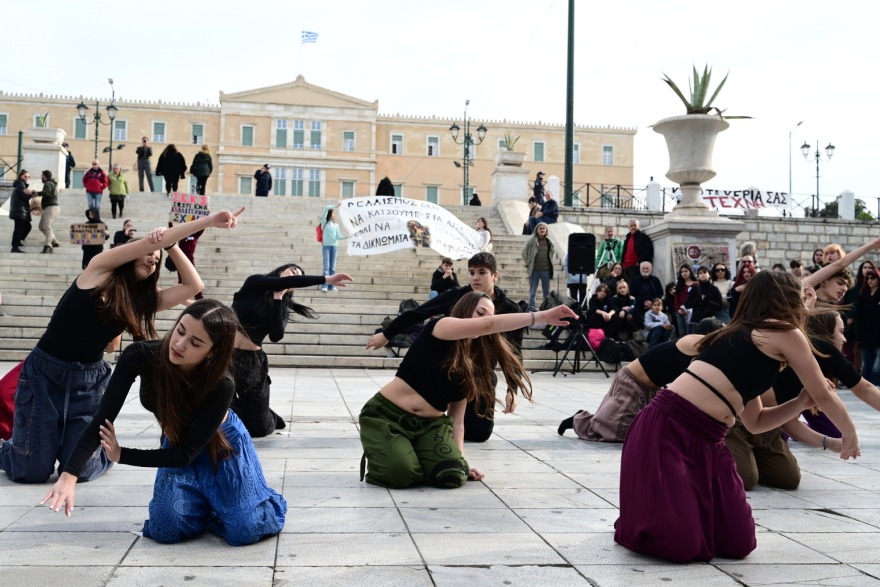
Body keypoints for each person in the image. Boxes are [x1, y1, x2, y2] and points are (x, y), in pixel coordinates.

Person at [614, 270, 860, 563]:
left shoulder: (754, 341)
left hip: (709, 440)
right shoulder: (768, 334)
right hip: (667, 428)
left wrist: (798, 402)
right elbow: (824, 393)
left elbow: (756, 422)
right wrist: (850, 435)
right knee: (680, 546)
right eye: (797, 297)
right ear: (784, 300)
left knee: (739, 542)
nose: (801, 306)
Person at [0, 207, 245, 483]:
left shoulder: (141, 301)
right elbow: (153, 243)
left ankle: (70, 447)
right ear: (129, 253)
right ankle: (13, 448)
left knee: (83, 470)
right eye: (148, 254)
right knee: (29, 471)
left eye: (156, 260)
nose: (153, 260)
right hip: (45, 373)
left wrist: (172, 246)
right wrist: (208, 222)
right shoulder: (98, 270)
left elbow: (192, 285)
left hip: (88, 380)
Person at [40, 300, 287, 545]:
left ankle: (249, 500)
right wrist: (69, 475)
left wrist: (121, 454)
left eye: (195, 342)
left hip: (223, 447)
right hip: (178, 443)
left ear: (213, 351)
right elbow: (102, 419)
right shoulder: (141, 355)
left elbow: (185, 456)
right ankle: (209, 505)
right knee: (165, 529)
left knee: (245, 530)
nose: (179, 344)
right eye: (180, 330)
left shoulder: (222, 384)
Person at [359, 292, 576, 489]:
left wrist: (460, 461)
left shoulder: (472, 364)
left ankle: (410, 454)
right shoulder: (439, 326)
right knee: (401, 474)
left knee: (453, 475)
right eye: (480, 313)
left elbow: (458, 421)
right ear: (464, 310)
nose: (483, 320)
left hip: (430, 427)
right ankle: (390, 455)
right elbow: (487, 325)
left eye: (487, 316)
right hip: (388, 418)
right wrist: (540, 316)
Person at [367, 253, 523, 443]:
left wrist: (512, 389)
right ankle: (428, 422)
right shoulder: (457, 296)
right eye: (472, 272)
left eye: (482, 272)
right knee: (437, 416)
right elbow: (419, 312)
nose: (475, 277)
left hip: (481, 374)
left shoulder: (511, 310)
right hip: (449, 369)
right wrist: (386, 334)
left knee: (479, 434)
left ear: (494, 276)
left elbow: (514, 353)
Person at [727, 312, 879, 491]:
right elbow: (864, 389)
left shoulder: (804, 359)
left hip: (767, 428)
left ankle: (746, 457)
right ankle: (732, 456)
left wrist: (829, 442)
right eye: (840, 331)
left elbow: (789, 423)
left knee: (788, 479)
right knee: (746, 479)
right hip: (739, 422)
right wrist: (849, 432)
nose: (844, 339)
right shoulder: (819, 347)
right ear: (826, 334)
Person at [230, 265, 353, 437]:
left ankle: (267, 415)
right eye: (293, 271)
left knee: (259, 428)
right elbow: (286, 281)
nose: (296, 275)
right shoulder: (254, 283)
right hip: (226, 355)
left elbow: (276, 336)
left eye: (299, 276)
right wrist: (326, 279)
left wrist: (278, 299)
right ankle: (238, 409)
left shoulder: (282, 307)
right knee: (211, 402)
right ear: (280, 271)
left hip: (252, 363)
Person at [558, 318, 724, 441]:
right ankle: (580, 419)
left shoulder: (705, 352)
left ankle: (599, 418)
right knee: (618, 433)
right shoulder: (696, 343)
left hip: (653, 389)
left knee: (646, 433)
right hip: (632, 382)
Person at [522, 223, 554, 311]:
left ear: (546, 230)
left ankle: (545, 308)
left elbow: (552, 253)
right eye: (540, 228)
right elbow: (524, 252)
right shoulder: (531, 240)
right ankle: (531, 308)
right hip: (534, 270)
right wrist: (528, 262)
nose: (542, 230)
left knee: (546, 292)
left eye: (544, 228)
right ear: (536, 230)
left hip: (546, 270)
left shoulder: (549, 241)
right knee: (532, 291)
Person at [857, 271, 880, 386]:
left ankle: (876, 385)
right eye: (868, 278)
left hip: (878, 330)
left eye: (873, 278)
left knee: (877, 363)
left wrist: (869, 308)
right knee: (866, 361)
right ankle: (866, 385)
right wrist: (875, 306)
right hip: (865, 331)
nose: (870, 280)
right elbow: (860, 310)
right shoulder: (863, 293)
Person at [319, 203, 346, 292]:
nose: (335, 215)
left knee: (332, 267)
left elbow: (338, 237)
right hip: (326, 246)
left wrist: (346, 237)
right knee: (326, 267)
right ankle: (325, 285)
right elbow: (326, 207)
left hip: (334, 246)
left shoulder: (336, 225)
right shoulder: (324, 223)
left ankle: (332, 285)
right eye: (334, 213)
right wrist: (335, 206)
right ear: (330, 214)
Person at [9, 169, 36, 253]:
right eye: (25, 176)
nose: (27, 178)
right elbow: (24, 197)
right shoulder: (21, 185)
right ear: (20, 176)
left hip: (20, 211)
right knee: (19, 229)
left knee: (27, 226)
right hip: (19, 211)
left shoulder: (21, 185)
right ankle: (14, 247)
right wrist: (33, 194)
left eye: (28, 176)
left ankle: (18, 241)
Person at [630, 261, 663, 328]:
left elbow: (660, 293)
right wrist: (644, 302)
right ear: (640, 269)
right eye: (643, 268)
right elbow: (632, 295)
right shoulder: (634, 281)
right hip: (639, 302)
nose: (645, 270)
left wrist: (652, 302)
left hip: (653, 302)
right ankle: (640, 325)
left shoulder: (655, 280)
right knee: (634, 303)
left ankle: (659, 322)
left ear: (651, 270)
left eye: (647, 268)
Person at [35, 170, 60, 254]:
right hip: (51, 208)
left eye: (42, 175)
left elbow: (46, 192)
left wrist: (36, 193)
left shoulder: (48, 183)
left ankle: (48, 245)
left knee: (47, 226)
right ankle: (54, 241)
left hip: (51, 207)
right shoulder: (52, 183)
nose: (41, 177)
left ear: (45, 176)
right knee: (41, 226)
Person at [689, 266, 722, 330]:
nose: (702, 274)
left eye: (704, 272)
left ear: (709, 275)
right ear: (698, 276)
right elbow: (687, 305)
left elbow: (720, 306)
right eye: (700, 273)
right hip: (697, 320)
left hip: (711, 320)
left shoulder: (714, 289)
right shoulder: (694, 289)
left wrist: (709, 302)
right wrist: (698, 300)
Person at [622, 219, 654, 283]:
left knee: (633, 284)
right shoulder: (627, 238)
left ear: (638, 226)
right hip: (626, 266)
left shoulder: (643, 237)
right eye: (631, 226)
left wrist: (640, 261)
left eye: (635, 225)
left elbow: (649, 250)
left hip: (635, 266)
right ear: (628, 227)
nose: (633, 227)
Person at [673, 264, 700, 336]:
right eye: (682, 272)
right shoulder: (680, 284)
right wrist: (678, 309)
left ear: (690, 272)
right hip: (680, 311)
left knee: (690, 332)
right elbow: (677, 299)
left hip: (692, 311)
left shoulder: (696, 285)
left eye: (686, 271)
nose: (684, 273)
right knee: (682, 332)